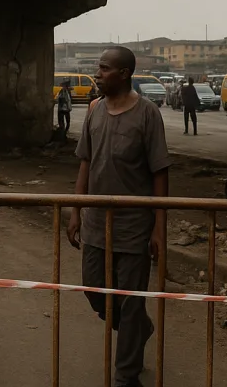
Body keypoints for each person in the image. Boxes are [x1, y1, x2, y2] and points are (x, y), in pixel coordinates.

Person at [67, 47, 170, 387]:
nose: (98, 74)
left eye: (104, 68)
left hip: (134, 228)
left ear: (124, 74)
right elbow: (85, 162)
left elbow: (159, 173)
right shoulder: (94, 110)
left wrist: (158, 227)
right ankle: (139, 328)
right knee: (95, 293)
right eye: (99, 67)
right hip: (97, 225)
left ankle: (126, 375)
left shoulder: (147, 114)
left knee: (128, 302)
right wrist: (76, 210)